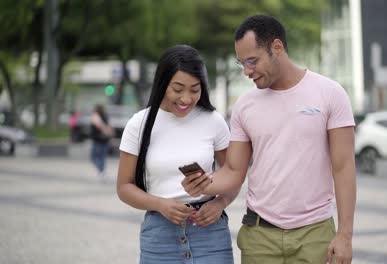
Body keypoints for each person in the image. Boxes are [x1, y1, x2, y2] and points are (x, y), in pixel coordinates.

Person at [183, 15, 356, 264]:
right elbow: (233, 170)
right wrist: (204, 184)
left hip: (315, 234)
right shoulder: (244, 106)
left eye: (252, 61)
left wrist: (345, 236)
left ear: (277, 47)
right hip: (259, 236)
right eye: (241, 63)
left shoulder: (330, 94)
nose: (246, 71)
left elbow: (344, 168)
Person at [116, 45, 237, 264]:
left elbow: (233, 174)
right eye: (178, 89)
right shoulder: (139, 124)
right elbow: (124, 187)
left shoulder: (214, 121)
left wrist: (220, 203)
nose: (186, 98)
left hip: (210, 234)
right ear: (163, 84)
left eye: (194, 89)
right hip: (160, 237)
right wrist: (160, 204)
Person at [90, 104, 114, 180]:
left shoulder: (96, 117)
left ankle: (101, 172)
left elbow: (100, 126)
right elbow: (110, 128)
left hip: (98, 140)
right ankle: (102, 172)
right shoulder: (105, 116)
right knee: (102, 157)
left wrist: (106, 131)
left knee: (95, 157)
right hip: (104, 140)